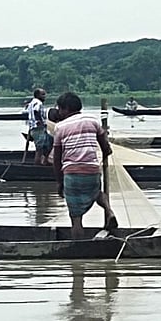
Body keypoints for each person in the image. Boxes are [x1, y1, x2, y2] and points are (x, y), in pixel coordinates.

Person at [52, 92, 117, 237]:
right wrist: (106, 152)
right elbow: (105, 148)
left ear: (66, 109)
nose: (59, 112)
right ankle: (109, 210)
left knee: (75, 218)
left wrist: (59, 182)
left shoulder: (60, 127)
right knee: (97, 193)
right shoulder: (93, 120)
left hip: (72, 172)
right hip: (92, 169)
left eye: (60, 109)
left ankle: (79, 247)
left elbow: (57, 159)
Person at [26, 88, 51, 165]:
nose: (44, 96)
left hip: (34, 128)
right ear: (37, 95)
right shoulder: (38, 103)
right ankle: (37, 164)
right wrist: (40, 121)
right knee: (39, 149)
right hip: (38, 128)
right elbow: (36, 111)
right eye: (42, 94)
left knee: (47, 145)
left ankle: (46, 161)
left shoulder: (31, 103)